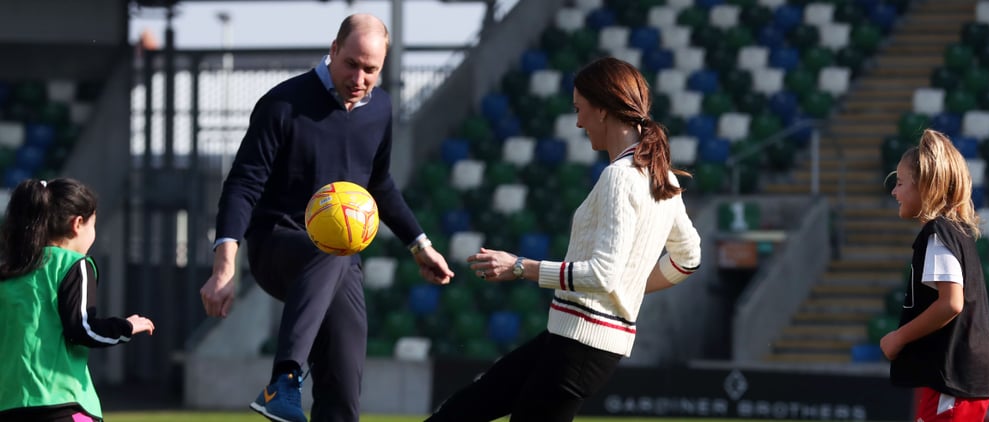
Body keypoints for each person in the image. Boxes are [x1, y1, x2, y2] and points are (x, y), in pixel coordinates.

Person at [198, 13, 454, 422]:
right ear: (333, 50)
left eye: (371, 69)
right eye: (351, 63)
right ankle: (283, 381)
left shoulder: (381, 109)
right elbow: (243, 185)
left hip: (340, 257)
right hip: (277, 244)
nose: (360, 77)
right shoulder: (282, 104)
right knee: (332, 247)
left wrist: (420, 245)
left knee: (343, 390)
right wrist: (224, 266)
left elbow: (379, 184)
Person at [426, 57, 702, 422]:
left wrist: (520, 267)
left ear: (603, 110)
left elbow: (604, 275)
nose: (577, 121)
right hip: (573, 339)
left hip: (581, 348)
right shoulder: (661, 177)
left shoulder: (619, 178)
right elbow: (688, 257)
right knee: (464, 408)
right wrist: (630, 288)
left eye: (580, 109)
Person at [0, 178, 155, 422]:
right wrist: (126, 327)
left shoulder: (8, 272)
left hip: (9, 405)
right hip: (62, 403)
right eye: (93, 225)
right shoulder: (73, 265)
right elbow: (82, 328)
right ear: (78, 224)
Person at [884, 129, 989, 421]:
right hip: (959, 381)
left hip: (953, 381)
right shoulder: (956, 233)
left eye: (900, 183)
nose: (894, 192)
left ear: (925, 185)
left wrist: (899, 338)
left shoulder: (938, 233)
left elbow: (951, 303)